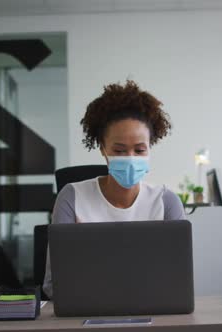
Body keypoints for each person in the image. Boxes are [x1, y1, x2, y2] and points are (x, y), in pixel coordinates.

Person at [43, 80, 185, 298]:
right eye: (119, 150)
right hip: (85, 313)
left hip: (154, 312)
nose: (130, 158)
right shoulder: (72, 197)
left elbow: (180, 278)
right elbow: (54, 284)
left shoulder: (167, 202)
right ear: (102, 148)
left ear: (150, 149)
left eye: (139, 150)